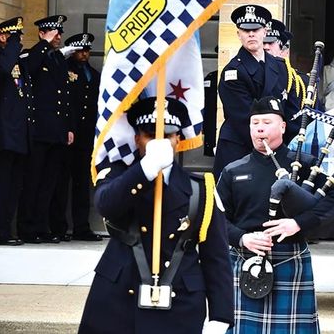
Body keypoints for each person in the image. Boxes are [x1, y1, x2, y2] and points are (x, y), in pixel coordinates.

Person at [79, 97, 234, 334]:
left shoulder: (201, 188)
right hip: (119, 300)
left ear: (178, 139)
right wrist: (146, 169)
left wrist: (220, 316)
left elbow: (216, 256)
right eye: (151, 135)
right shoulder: (117, 176)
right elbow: (106, 205)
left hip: (180, 302)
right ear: (137, 139)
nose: (160, 142)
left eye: (168, 135)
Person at [217, 96, 334, 333]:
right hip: (246, 259)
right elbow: (216, 219)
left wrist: (297, 223)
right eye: (255, 123)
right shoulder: (234, 171)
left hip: (289, 257)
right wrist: (242, 238)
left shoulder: (306, 166)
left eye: (267, 122)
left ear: (283, 126)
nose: (260, 128)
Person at [17, 15, 78, 244]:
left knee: (49, 184)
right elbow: (30, 69)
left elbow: (66, 96)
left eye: (59, 33)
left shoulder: (58, 60)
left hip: (57, 132)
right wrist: (43, 44)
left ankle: (42, 226)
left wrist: (70, 127)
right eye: (54, 33)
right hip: (40, 132)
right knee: (33, 181)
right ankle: (27, 228)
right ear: (42, 33)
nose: (58, 37)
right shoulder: (33, 55)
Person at [213, 5, 288, 179]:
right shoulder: (233, 71)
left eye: (255, 29)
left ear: (265, 31)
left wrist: (287, 145)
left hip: (273, 146)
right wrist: (271, 145)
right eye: (246, 31)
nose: (251, 34)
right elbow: (244, 118)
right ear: (239, 34)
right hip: (241, 147)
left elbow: (287, 109)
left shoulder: (279, 66)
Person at [49, 33, 102, 241]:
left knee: (82, 184)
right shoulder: (64, 70)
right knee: (60, 183)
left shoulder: (94, 75)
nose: (84, 54)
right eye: (80, 50)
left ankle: (82, 227)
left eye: (87, 50)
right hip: (66, 135)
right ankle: (58, 227)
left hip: (86, 137)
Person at [0, 17, 32, 245]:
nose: (18, 42)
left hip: (18, 134)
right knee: (2, 186)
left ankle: (8, 230)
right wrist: (11, 47)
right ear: (3, 37)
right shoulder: (4, 59)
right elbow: (3, 71)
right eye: (15, 38)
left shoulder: (15, 60)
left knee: (13, 187)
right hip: (3, 134)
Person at [263, 18, 306, 142]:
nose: (266, 47)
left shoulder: (300, 81)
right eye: (263, 43)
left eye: (271, 43)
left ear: (284, 51)